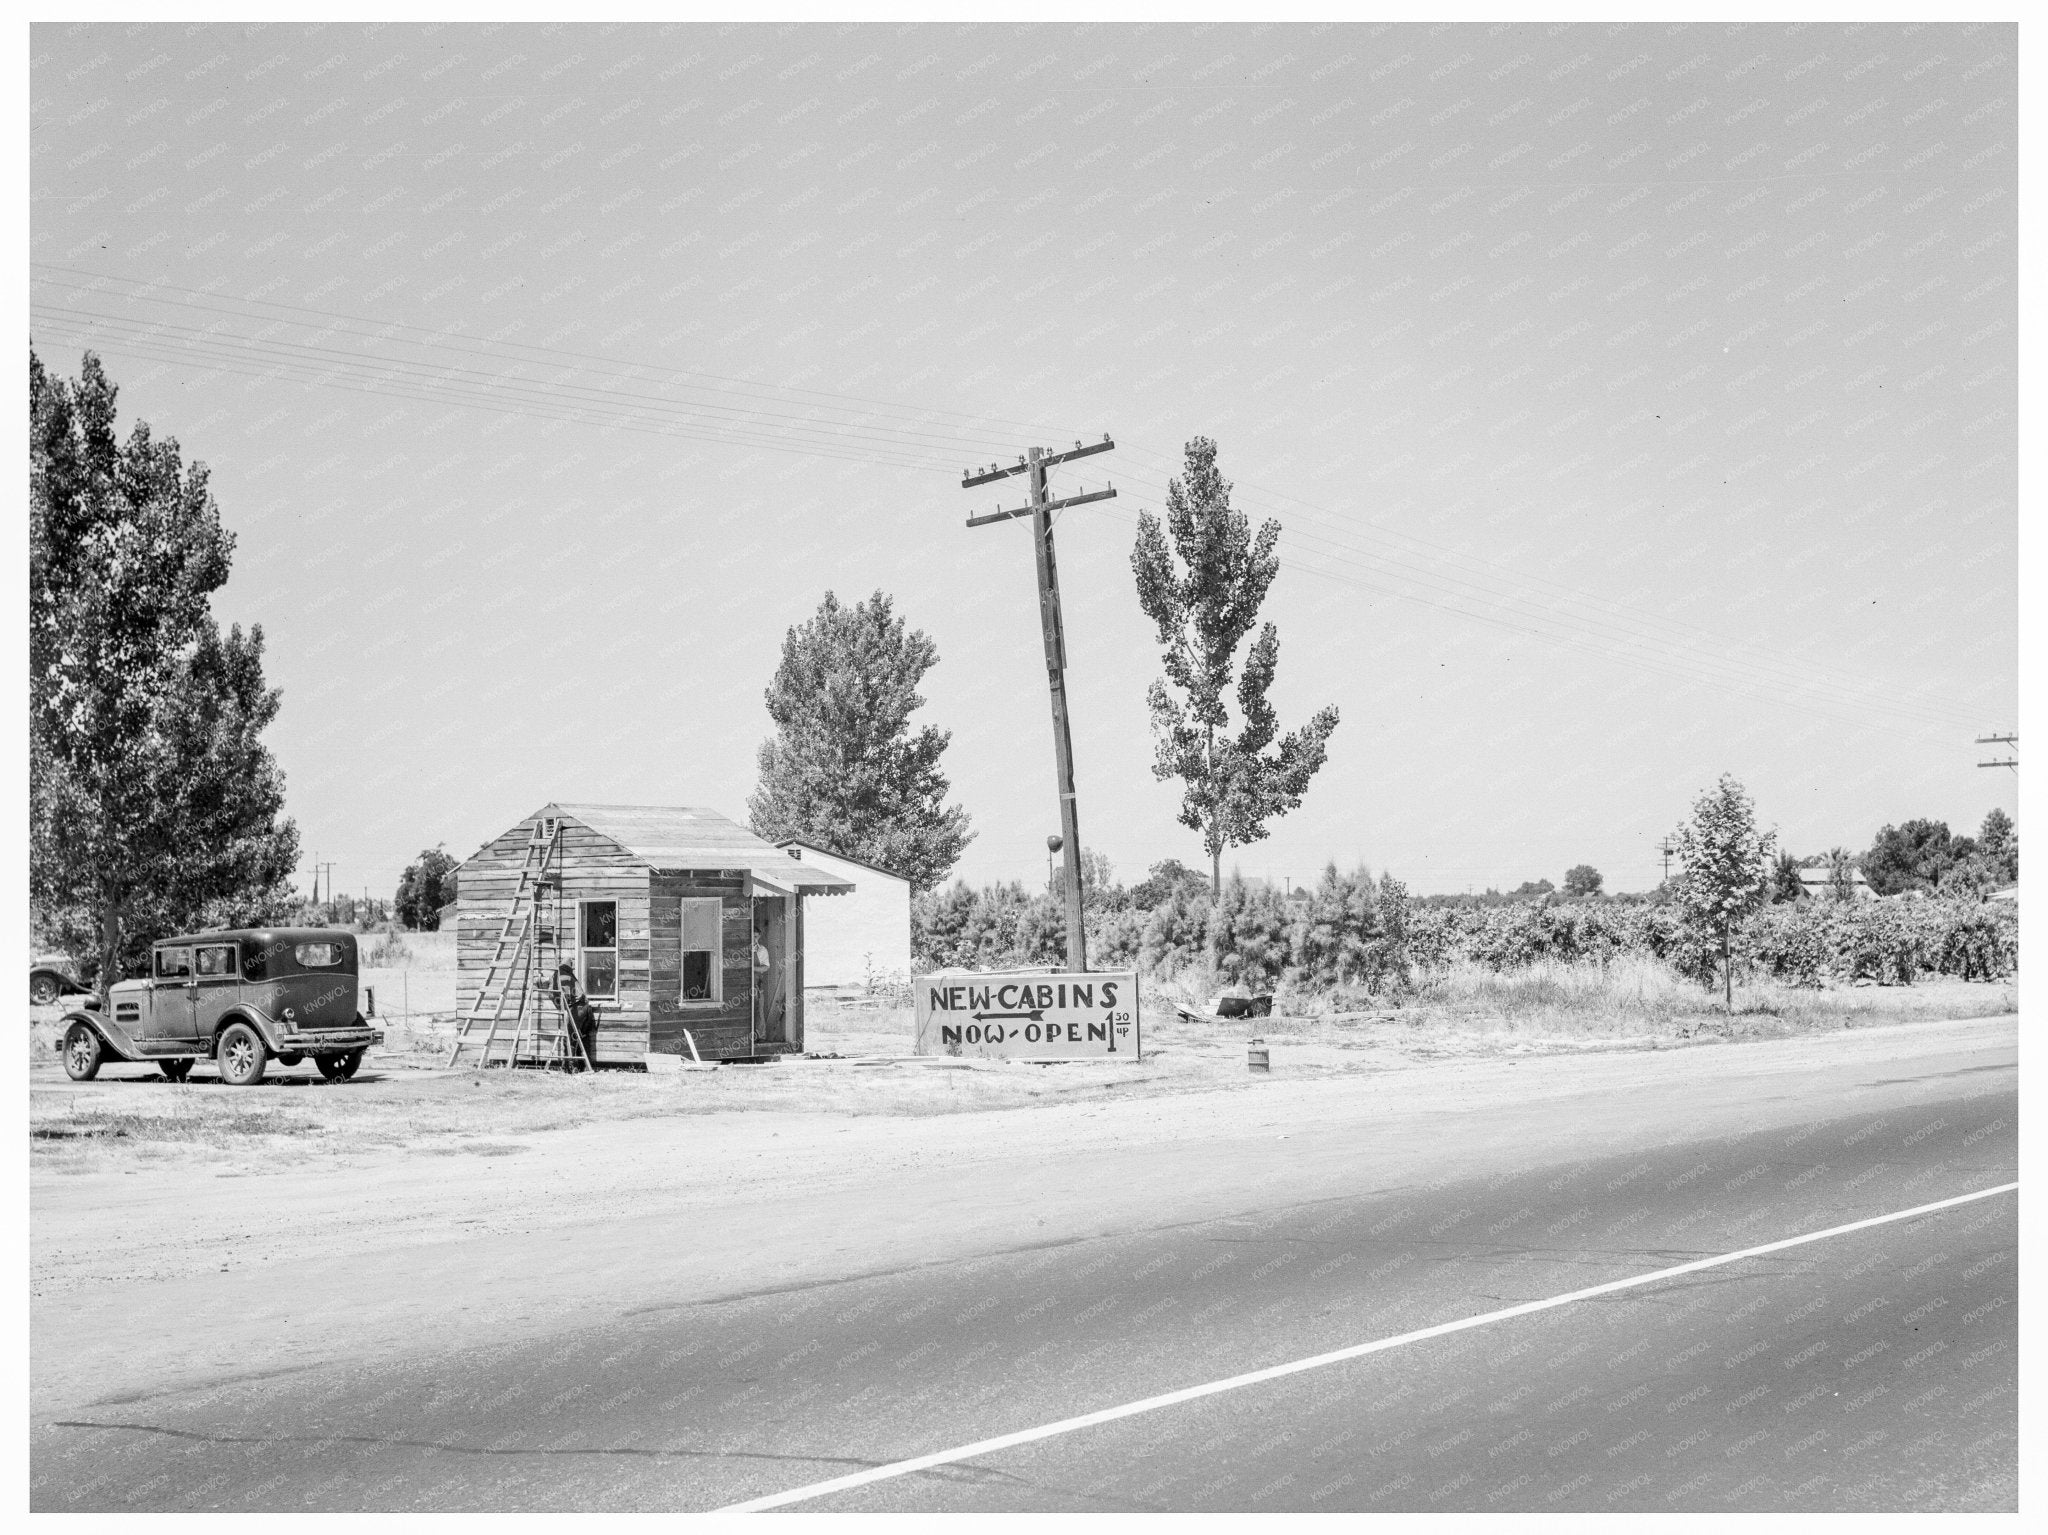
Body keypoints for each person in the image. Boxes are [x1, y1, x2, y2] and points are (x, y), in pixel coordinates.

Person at [553, 963, 598, 1068]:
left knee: (570, 1037)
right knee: (583, 1037)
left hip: (577, 1008)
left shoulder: (558, 976)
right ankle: (585, 1066)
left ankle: (570, 1066)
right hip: (586, 1008)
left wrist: (561, 1008)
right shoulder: (570, 975)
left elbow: (559, 996)